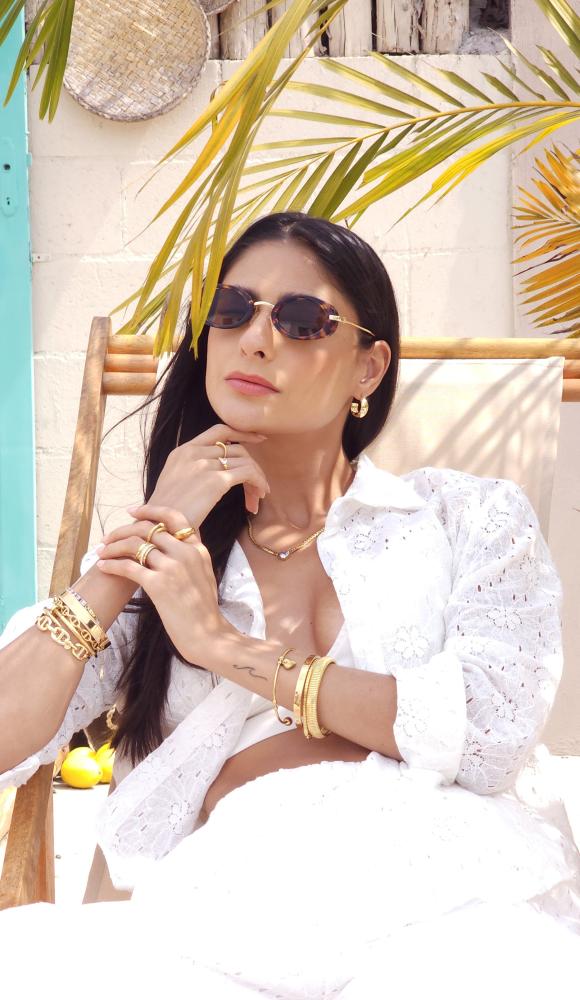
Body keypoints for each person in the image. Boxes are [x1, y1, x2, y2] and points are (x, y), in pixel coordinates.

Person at [1, 211, 579, 998]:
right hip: (232, 902)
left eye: (302, 319)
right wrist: (132, 553)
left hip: (444, 881)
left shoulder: (466, 519)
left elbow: (491, 735)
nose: (255, 339)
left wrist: (222, 647)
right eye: (232, 311)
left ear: (368, 369)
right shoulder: (171, 566)